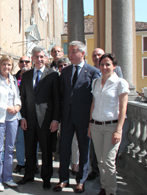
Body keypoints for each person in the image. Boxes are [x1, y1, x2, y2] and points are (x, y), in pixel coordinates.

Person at [53, 41, 100, 193]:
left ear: (82, 53)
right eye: (70, 52)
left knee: (84, 149)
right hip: (67, 117)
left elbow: (96, 98)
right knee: (64, 148)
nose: (70, 55)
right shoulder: (65, 72)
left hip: (84, 118)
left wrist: (92, 119)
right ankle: (63, 180)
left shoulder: (92, 72)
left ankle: (81, 180)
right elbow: (61, 95)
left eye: (74, 52)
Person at [17, 47, 60, 191]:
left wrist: (55, 120)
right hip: (28, 119)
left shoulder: (52, 75)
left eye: (42, 57)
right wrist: (22, 117)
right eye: (36, 57)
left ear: (46, 58)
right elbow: (22, 97)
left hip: (46, 120)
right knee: (29, 148)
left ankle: (46, 178)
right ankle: (29, 174)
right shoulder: (27, 75)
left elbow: (56, 99)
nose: (39, 59)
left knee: (46, 150)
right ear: (32, 58)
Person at [88, 53, 129, 195]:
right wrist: (90, 125)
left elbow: (123, 108)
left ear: (114, 66)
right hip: (96, 126)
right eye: (102, 64)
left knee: (109, 161)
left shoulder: (120, 83)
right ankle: (104, 187)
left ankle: (112, 191)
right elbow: (94, 104)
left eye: (108, 64)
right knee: (100, 161)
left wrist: (118, 130)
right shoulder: (96, 82)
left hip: (112, 126)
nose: (104, 67)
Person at [0, 55, 22, 192]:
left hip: (13, 118)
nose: (6, 67)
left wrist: (17, 107)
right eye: (4, 64)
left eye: (9, 65)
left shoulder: (13, 79)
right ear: (0, 65)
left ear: (12, 66)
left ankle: (7, 177)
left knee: (10, 149)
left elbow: (17, 97)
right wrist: (6, 107)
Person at [13, 56, 32, 174]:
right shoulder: (13, 78)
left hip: (32, 113)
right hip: (18, 112)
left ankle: (32, 163)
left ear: (31, 63)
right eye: (22, 61)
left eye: (27, 61)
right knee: (19, 139)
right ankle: (21, 163)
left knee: (33, 140)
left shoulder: (35, 76)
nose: (24, 63)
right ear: (19, 64)